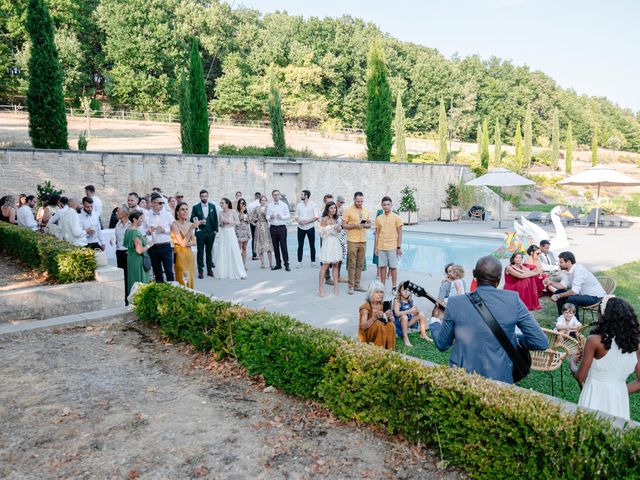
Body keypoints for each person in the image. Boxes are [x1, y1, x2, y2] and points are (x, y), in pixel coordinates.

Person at [430, 255, 548, 384]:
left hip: (461, 379)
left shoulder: (455, 302)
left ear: (474, 274)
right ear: (499, 278)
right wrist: (515, 338)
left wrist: (435, 321)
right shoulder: (513, 300)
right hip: (499, 378)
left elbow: (442, 344)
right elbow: (540, 342)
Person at [570, 297, 640, 420]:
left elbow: (580, 377)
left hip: (594, 395)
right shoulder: (636, 345)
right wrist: (619, 390)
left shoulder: (595, 341)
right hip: (619, 399)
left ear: (603, 316)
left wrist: (572, 362)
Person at [548, 252, 606, 321]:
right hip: (583, 295)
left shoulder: (579, 270)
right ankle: (563, 321)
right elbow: (562, 285)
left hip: (596, 297)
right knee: (559, 291)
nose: (559, 264)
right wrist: (550, 282)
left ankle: (574, 325)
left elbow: (574, 292)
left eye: (561, 262)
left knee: (572, 298)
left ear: (568, 262)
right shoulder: (567, 271)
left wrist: (558, 296)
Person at [342, 192, 371, 295]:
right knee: (352, 264)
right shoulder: (348, 210)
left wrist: (365, 225)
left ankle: (357, 285)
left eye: (361, 201)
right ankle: (350, 286)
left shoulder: (366, 210)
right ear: (354, 199)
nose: (360, 203)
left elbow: (369, 224)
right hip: (352, 240)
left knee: (360, 264)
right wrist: (355, 225)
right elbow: (344, 225)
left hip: (363, 240)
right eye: (358, 201)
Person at [374, 196, 403, 292]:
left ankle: (394, 287)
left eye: (388, 205)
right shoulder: (378, 218)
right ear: (382, 206)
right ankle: (382, 286)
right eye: (384, 205)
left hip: (392, 247)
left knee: (393, 267)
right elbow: (377, 233)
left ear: (391, 205)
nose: (386, 207)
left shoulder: (397, 218)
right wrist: (376, 248)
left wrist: (398, 247)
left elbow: (400, 233)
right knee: (382, 267)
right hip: (381, 246)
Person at [214, 197, 247, 280]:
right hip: (223, 233)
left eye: (222, 203)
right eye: (220, 203)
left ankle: (237, 271)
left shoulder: (233, 212)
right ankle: (224, 271)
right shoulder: (220, 213)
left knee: (233, 250)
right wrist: (221, 223)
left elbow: (238, 222)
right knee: (223, 250)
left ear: (227, 204)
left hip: (230, 232)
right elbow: (220, 224)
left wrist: (229, 221)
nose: (221, 204)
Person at [145, 193, 175, 282]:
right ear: (152, 203)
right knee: (157, 273)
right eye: (160, 203)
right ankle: (160, 292)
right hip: (153, 247)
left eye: (162, 203)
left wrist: (164, 230)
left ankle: (172, 291)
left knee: (169, 271)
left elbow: (174, 228)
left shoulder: (168, 214)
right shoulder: (146, 215)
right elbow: (143, 230)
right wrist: (148, 231)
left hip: (165, 246)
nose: (162, 205)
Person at [358, 281, 396, 350]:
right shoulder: (366, 307)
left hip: (382, 332)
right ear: (370, 293)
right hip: (367, 335)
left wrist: (391, 317)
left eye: (381, 292)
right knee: (378, 324)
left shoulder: (383, 305)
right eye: (377, 292)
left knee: (391, 325)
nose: (379, 294)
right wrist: (374, 318)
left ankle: (390, 350)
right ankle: (378, 351)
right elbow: (363, 326)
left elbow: (390, 321)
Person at [190, 189, 218, 279]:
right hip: (200, 233)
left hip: (210, 233)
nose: (204, 198)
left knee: (209, 252)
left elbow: (215, 219)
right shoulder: (196, 207)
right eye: (203, 196)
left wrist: (215, 231)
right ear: (200, 197)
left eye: (206, 196)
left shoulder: (212, 206)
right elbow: (192, 218)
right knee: (200, 252)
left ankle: (209, 270)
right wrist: (199, 221)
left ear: (208, 196)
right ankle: (200, 271)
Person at [124, 210, 152, 297]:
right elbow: (139, 250)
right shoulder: (135, 232)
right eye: (140, 218)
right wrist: (149, 245)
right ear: (134, 220)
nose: (142, 220)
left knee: (133, 280)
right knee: (139, 282)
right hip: (138, 260)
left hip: (131, 259)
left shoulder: (128, 230)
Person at [393, 281, 429, 347]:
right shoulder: (397, 301)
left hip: (407, 323)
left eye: (408, 290)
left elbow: (411, 311)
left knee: (421, 314)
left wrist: (415, 311)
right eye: (404, 290)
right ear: (399, 292)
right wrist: (409, 311)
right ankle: (405, 337)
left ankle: (423, 333)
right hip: (399, 325)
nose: (406, 292)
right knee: (404, 317)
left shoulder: (409, 300)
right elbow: (397, 313)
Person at [318, 201, 342, 297]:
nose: (333, 210)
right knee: (325, 265)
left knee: (336, 265)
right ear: (327, 209)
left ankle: (336, 287)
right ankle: (320, 288)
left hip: (335, 243)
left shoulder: (336, 219)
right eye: (331, 208)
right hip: (328, 243)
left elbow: (337, 234)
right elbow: (321, 233)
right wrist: (330, 227)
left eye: (334, 208)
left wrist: (338, 229)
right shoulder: (324, 219)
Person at [171, 201, 197, 288]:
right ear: (177, 212)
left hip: (190, 256)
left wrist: (186, 243)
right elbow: (182, 244)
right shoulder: (174, 225)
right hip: (180, 256)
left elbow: (194, 242)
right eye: (182, 209)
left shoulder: (189, 224)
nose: (185, 211)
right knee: (182, 281)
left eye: (186, 209)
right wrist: (190, 230)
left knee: (191, 279)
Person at [267, 189, 291, 271]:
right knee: (275, 247)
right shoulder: (270, 205)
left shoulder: (284, 205)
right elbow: (267, 216)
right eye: (274, 195)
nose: (276, 196)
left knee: (284, 246)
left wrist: (282, 217)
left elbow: (288, 215)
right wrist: (270, 217)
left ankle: (286, 264)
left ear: (279, 195)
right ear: (272, 196)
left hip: (282, 228)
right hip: (273, 228)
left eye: (277, 194)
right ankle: (278, 264)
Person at [294, 190, 318, 268]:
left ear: (306, 196)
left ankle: (313, 262)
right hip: (300, 228)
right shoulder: (298, 205)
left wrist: (307, 221)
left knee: (312, 245)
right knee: (300, 245)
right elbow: (296, 216)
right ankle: (299, 262)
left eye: (302, 195)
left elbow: (316, 216)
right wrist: (300, 221)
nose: (301, 196)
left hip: (310, 227)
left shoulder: (313, 205)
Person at [250, 195, 274, 269]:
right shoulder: (256, 208)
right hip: (259, 227)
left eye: (265, 200)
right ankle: (262, 263)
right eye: (262, 200)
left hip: (267, 227)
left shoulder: (269, 208)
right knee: (260, 245)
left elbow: (271, 217)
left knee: (268, 245)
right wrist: (255, 224)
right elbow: (251, 218)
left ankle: (270, 263)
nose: (263, 201)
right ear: (260, 201)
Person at [113, 205, 130, 304]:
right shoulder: (117, 224)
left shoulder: (130, 224)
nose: (116, 213)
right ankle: (124, 298)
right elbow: (117, 237)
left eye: (118, 211)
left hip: (128, 252)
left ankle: (129, 296)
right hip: (119, 252)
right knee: (122, 275)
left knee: (128, 275)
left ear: (124, 213)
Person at [235, 198, 251, 270]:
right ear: (238, 204)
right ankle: (238, 265)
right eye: (241, 203)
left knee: (244, 248)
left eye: (244, 203)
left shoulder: (246, 212)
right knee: (239, 248)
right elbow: (237, 220)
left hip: (245, 231)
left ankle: (244, 264)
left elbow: (248, 222)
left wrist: (248, 219)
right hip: (239, 231)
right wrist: (241, 212)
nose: (242, 204)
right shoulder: (236, 212)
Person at [247, 192, 262, 260]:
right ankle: (260, 253)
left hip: (252, 222)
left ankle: (254, 254)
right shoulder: (261, 204)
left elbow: (248, 214)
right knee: (260, 237)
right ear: (260, 197)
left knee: (254, 238)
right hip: (260, 222)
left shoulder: (250, 205)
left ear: (255, 197)